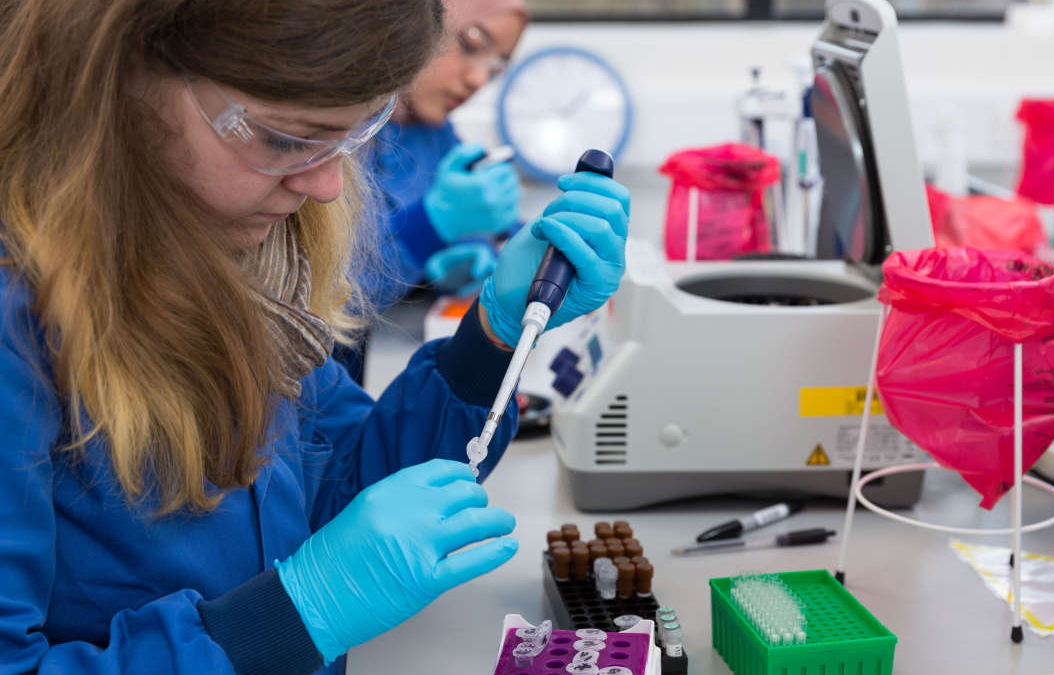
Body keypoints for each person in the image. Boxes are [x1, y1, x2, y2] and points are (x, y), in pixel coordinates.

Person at [0, 2, 630, 675]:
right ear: (122, 82)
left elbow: (345, 489)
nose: (326, 187)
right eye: (285, 139)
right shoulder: (19, 325)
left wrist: (492, 339)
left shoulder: (239, 266)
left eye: (350, 136)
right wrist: (290, 615)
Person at [334, 0, 530, 384]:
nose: (478, 79)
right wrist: (429, 227)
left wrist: (479, 256)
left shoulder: (435, 133)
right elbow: (323, 297)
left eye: (497, 66)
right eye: (473, 43)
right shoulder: (335, 126)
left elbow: (489, 232)